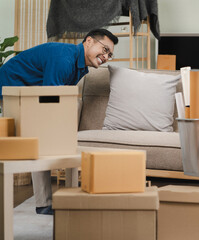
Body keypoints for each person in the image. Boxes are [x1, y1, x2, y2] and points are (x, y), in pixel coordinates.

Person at [0, 29, 118, 215]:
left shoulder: (80, 66)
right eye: (104, 49)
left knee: (43, 143)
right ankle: (43, 203)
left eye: (109, 54)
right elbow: (51, 99)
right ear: (88, 41)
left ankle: (52, 202)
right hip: (13, 88)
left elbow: (60, 99)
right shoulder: (65, 59)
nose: (105, 56)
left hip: (32, 93)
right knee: (37, 144)